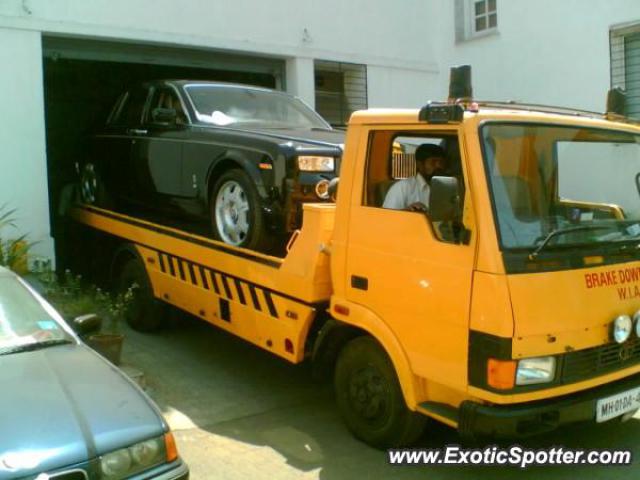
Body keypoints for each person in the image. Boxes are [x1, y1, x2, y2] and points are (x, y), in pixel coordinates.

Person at [383, 144, 447, 212]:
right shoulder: (402, 187)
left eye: (441, 162)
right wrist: (408, 211)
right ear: (420, 164)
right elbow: (387, 218)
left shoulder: (446, 188)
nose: (438, 166)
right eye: (433, 162)